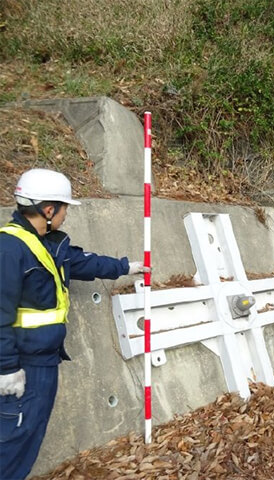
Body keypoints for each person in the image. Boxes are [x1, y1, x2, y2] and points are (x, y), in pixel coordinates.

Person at [0, 168, 148, 480]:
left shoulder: (47, 244)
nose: (66, 214)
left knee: (28, 437)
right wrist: (7, 369)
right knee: (12, 442)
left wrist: (125, 267)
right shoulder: (9, 249)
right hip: (22, 369)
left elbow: (84, 262)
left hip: (44, 363)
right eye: (65, 208)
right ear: (48, 209)